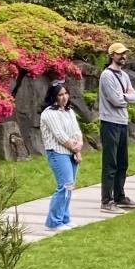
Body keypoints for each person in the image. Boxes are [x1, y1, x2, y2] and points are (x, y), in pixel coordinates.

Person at [97, 43, 135, 211]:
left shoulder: (124, 75)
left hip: (122, 122)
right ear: (112, 55)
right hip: (110, 122)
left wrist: (125, 96)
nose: (123, 56)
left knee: (122, 162)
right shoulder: (107, 76)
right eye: (120, 54)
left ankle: (119, 195)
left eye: (125, 54)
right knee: (110, 163)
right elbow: (115, 100)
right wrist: (125, 96)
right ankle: (106, 200)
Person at [40, 80, 84, 230]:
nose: (64, 97)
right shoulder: (49, 114)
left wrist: (79, 145)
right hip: (57, 152)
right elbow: (60, 135)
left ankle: (64, 218)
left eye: (66, 93)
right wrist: (76, 150)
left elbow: (76, 131)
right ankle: (53, 222)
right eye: (60, 95)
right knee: (64, 185)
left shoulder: (69, 111)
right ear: (54, 96)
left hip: (71, 152)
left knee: (70, 186)